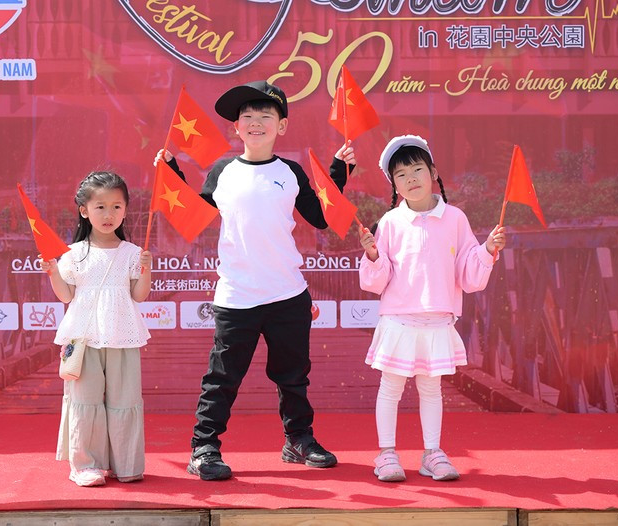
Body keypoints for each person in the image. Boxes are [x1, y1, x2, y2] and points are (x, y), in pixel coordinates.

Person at [155, 80, 356, 481]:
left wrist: (339, 171)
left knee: (293, 375)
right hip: (237, 295)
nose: (256, 123)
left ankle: (299, 439)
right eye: (247, 117)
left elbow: (321, 217)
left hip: (287, 293)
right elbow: (196, 213)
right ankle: (204, 447)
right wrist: (173, 171)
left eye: (266, 116)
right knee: (222, 377)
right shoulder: (222, 172)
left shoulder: (291, 172)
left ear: (281, 126)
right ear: (236, 128)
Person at [358, 135, 505, 482]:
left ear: (433, 172)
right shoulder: (391, 222)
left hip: (438, 319)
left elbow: (469, 273)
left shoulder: (455, 218)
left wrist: (487, 249)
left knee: (431, 389)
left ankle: (432, 453)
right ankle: (386, 454)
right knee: (390, 388)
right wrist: (373, 255)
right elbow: (377, 281)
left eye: (417, 170)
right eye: (401, 175)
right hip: (398, 320)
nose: (411, 179)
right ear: (393, 184)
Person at [40, 171, 152, 487]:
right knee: (85, 400)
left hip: (122, 333)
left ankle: (126, 464)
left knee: (125, 399)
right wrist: (52, 272)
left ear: (126, 210)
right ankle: (85, 465)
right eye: (100, 207)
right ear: (84, 210)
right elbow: (66, 295)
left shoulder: (132, 252)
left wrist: (146, 269)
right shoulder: (73, 253)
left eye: (116, 207)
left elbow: (139, 295)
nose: (108, 215)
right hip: (83, 336)